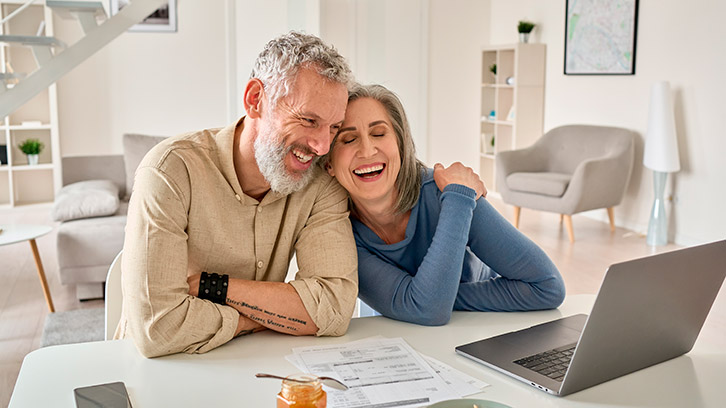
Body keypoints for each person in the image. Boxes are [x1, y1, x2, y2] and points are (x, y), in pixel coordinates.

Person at [117, 32, 359, 358]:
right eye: (308, 120)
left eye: (333, 127)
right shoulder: (170, 170)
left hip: (250, 367)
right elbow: (158, 328)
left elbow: (333, 307)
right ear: (255, 99)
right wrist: (263, 318)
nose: (322, 146)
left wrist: (212, 287)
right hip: (157, 370)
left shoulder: (320, 184)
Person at [325, 84, 565, 326]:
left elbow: (547, 286)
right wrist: (427, 298)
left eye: (378, 134)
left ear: (400, 144)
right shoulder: (337, 233)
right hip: (396, 341)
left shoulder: (451, 194)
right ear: (329, 165)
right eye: (348, 139)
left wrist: (430, 297)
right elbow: (427, 308)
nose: (367, 150)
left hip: (475, 331)